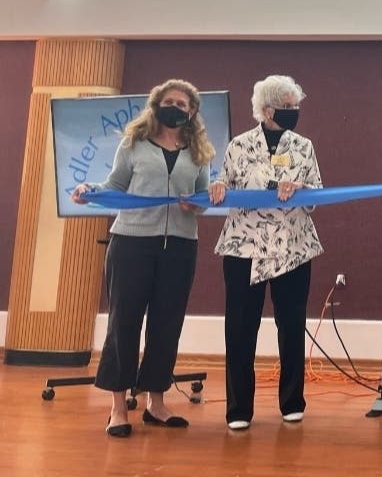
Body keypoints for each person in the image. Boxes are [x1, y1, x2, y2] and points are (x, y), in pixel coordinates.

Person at [71, 79, 214, 437]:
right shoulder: (133, 144)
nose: (175, 108)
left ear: (192, 112)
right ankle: (118, 408)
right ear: (156, 106)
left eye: (182, 104)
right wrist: (89, 190)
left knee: (167, 324)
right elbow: (115, 186)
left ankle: (156, 403)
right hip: (131, 243)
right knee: (124, 323)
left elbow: (202, 199)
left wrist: (196, 204)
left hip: (180, 246)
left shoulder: (199, 153)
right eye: (170, 102)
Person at [208, 75, 322, 431]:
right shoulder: (239, 145)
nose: (294, 111)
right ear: (268, 110)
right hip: (245, 247)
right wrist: (217, 186)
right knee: (240, 328)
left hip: (292, 247)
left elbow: (317, 194)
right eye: (288, 106)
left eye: (296, 105)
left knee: (292, 326)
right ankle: (238, 409)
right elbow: (224, 183)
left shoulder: (303, 146)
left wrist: (301, 188)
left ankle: (292, 402)